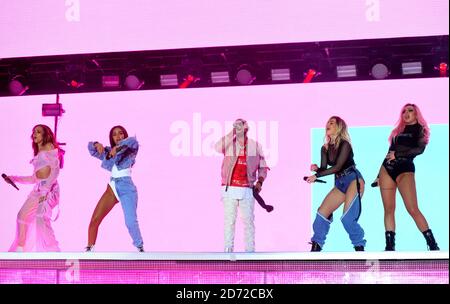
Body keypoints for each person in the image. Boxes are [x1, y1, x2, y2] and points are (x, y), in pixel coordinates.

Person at [374, 103, 439, 251]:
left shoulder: (420, 130)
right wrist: (378, 175)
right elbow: (388, 153)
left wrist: (398, 154)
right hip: (387, 170)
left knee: (412, 209)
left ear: (416, 114)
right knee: (388, 210)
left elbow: (419, 149)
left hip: (404, 169)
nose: (406, 113)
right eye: (404, 111)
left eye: (410, 110)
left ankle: (433, 246)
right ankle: (389, 248)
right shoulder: (397, 132)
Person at [306, 116, 366, 252]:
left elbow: (338, 167)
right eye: (328, 122)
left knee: (347, 219)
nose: (328, 124)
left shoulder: (345, 144)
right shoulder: (325, 148)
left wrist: (316, 176)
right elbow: (324, 167)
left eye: (332, 123)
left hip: (352, 180)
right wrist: (317, 169)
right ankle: (316, 246)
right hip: (339, 183)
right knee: (322, 213)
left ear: (339, 127)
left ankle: (359, 247)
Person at [86, 125, 144, 252]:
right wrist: (97, 144)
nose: (118, 136)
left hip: (127, 188)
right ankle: (89, 249)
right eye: (115, 134)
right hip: (112, 187)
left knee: (130, 222)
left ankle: (140, 247)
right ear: (111, 138)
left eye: (121, 133)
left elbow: (133, 141)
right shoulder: (108, 152)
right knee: (95, 219)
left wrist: (118, 148)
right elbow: (90, 148)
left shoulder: (130, 149)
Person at [215, 118, 269, 252]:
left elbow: (263, 166)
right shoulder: (229, 144)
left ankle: (250, 253)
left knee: (248, 222)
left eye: (241, 124)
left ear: (247, 128)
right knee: (229, 221)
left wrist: (260, 181)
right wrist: (231, 132)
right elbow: (217, 147)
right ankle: (228, 252)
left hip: (247, 189)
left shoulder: (254, 145)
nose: (238, 127)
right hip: (229, 187)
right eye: (236, 125)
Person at [6, 124, 63, 252]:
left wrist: (46, 189)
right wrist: (13, 178)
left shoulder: (49, 147)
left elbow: (55, 170)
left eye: (38, 132)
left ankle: (52, 250)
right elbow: (33, 179)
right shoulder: (38, 152)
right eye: (33, 132)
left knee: (40, 217)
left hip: (50, 189)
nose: (34, 134)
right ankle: (20, 247)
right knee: (21, 215)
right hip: (38, 190)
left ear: (45, 135)